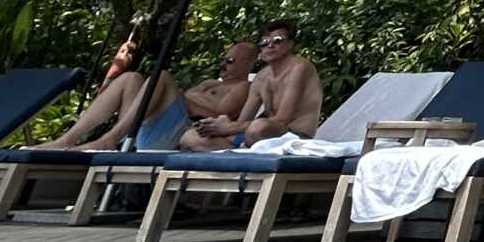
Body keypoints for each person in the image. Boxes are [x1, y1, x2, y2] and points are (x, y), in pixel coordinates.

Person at [175, 22, 320, 153]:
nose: (270, 45)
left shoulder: (300, 67)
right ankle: (240, 152)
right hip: (258, 139)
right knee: (189, 137)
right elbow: (242, 122)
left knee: (259, 127)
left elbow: (282, 120)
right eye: (265, 42)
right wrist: (217, 126)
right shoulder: (261, 78)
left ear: (290, 44)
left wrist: (228, 127)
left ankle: (242, 150)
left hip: (294, 136)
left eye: (277, 40)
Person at [40, 31, 180, 151]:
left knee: (162, 77)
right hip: (141, 132)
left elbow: (201, 111)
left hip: (177, 134)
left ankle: (109, 140)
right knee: (131, 78)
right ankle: (66, 140)